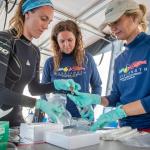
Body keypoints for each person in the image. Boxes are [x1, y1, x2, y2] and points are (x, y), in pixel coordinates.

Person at [68, 0, 150, 132]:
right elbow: (115, 97)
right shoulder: (120, 60)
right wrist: (94, 99)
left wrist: (121, 111)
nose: (112, 28)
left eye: (117, 21)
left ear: (134, 17)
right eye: (110, 24)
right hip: (124, 129)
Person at [0, 0, 80, 127]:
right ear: (27, 13)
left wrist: (57, 85)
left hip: (17, 123)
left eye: (49, 22)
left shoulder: (35, 51)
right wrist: (38, 104)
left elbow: (34, 89)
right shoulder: (4, 39)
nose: (46, 26)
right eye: (43, 19)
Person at [42, 20, 102, 120]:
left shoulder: (87, 59)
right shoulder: (50, 63)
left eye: (70, 40)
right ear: (56, 41)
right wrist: (50, 110)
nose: (66, 45)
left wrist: (91, 106)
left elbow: (97, 85)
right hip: (58, 119)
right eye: (62, 41)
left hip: (83, 118)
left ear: (76, 39)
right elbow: (42, 91)